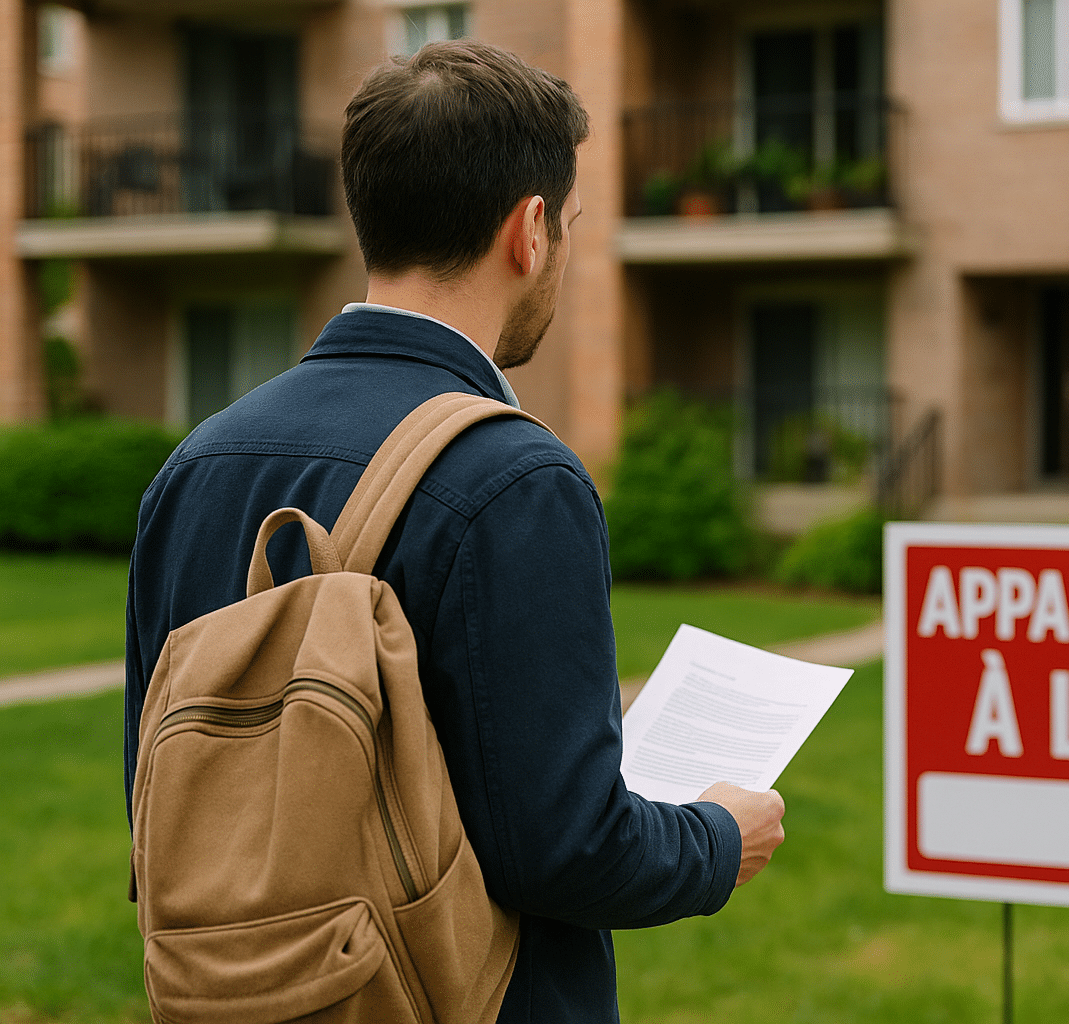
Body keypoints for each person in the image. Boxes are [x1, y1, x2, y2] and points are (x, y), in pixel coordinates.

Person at [124, 40, 785, 1023]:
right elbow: (565, 850)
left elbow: (154, 803)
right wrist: (720, 838)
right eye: (564, 226)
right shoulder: (517, 478)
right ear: (529, 230)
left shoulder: (194, 467)